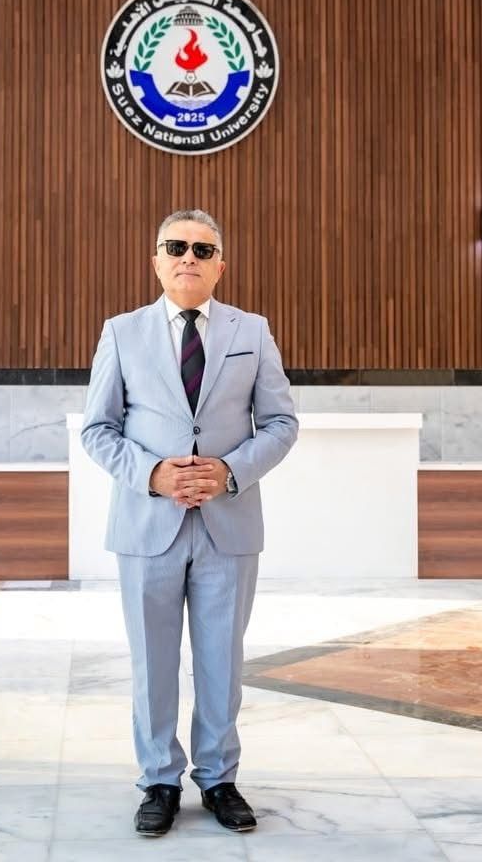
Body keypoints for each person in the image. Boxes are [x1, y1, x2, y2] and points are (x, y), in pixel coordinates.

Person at [81, 209, 298, 836]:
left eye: (203, 250)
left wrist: (229, 471)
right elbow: (98, 429)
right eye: (176, 247)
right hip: (146, 526)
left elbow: (281, 423)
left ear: (220, 265)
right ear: (156, 260)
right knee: (152, 662)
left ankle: (219, 778)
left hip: (229, 525)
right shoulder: (121, 332)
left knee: (221, 660)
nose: (188, 258)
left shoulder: (252, 331)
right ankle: (158, 780)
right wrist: (153, 474)